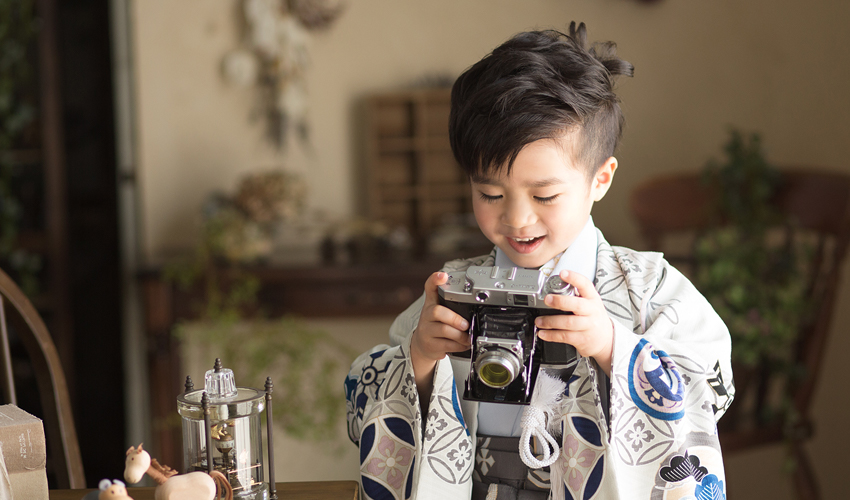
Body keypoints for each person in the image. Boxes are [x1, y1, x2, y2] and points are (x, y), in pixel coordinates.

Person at [345, 22, 734, 500]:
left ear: (600, 179)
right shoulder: (458, 288)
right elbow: (365, 399)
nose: (516, 217)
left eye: (545, 194)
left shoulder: (648, 287)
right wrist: (421, 360)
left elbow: (710, 391)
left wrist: (614, 346)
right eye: (490, 192)